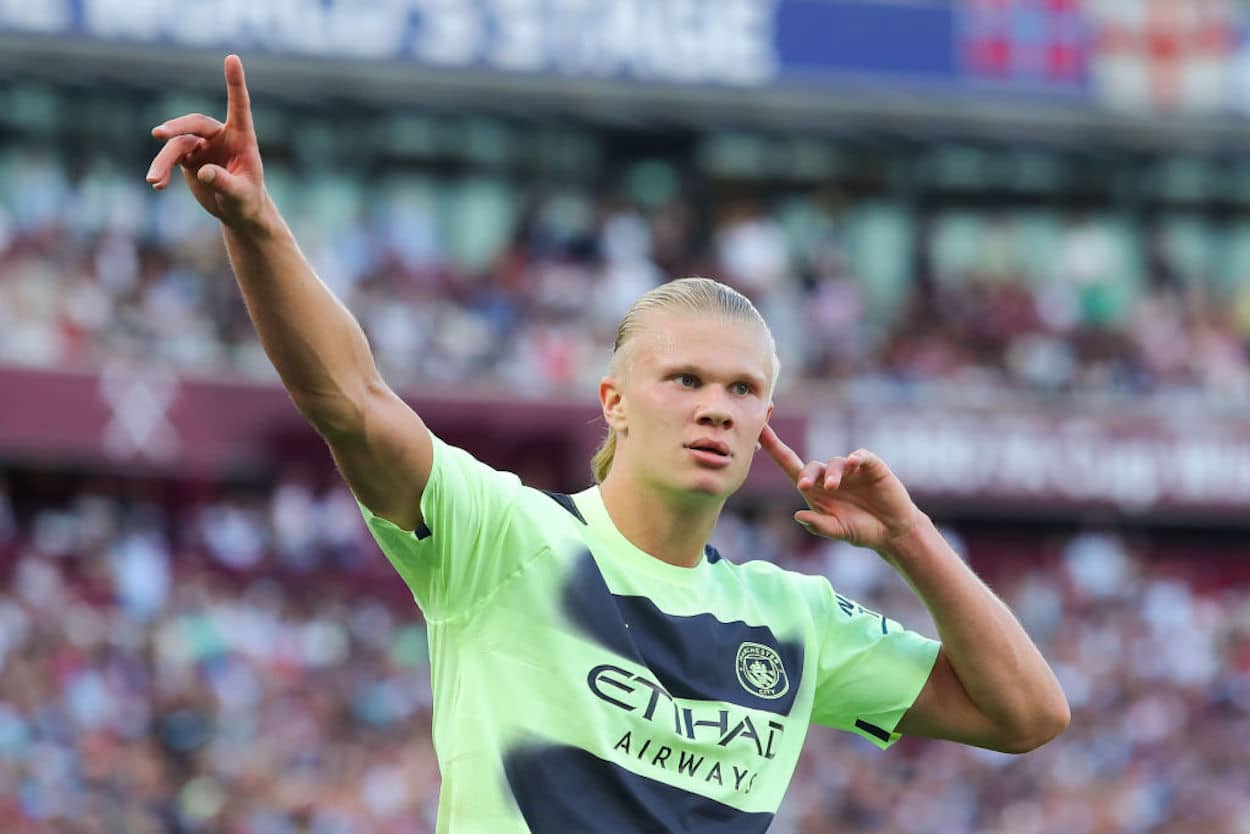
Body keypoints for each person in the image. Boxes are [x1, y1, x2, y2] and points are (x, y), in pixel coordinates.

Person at [147, 55, 1069, 833]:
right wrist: (257, 227)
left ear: (764, 425)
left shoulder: (794, 620)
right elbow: (350, 399)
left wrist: (909, 537)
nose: (717, 408)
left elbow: (1027, 715)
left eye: (744, 390)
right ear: (615, 402)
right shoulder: (503, 539)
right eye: (687, 381)